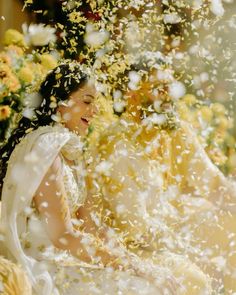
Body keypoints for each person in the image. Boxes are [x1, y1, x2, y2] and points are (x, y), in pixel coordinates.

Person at [0, 63, 189, 295]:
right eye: (87, 102)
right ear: (59, 102)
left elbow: (90, 225)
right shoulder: (46, 147)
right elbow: (62, 236)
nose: (95, 111)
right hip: (44, 267)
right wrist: (133, 267)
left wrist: (136, 262)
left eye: (95, 103)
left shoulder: (73, 151)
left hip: (69, 260)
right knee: (145, 288)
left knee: (156, 279)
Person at [87, 80, 236, 294]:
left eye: (170, 87)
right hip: (133, 247)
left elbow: (215, 185)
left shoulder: (176, 131)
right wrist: (188, 247)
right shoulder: (115, 143)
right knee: (195, 280)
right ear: (133, 94)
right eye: (158, 88)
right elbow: (133, 226)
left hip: (173, 232)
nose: (168, 96)